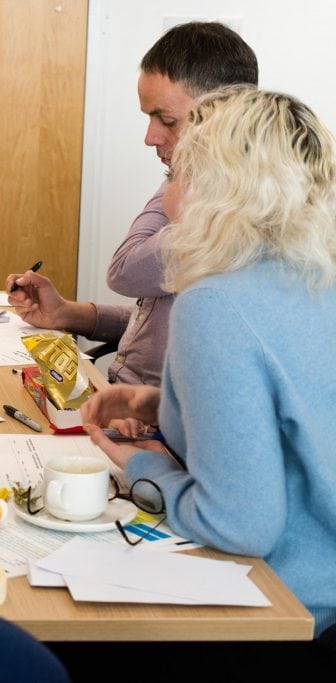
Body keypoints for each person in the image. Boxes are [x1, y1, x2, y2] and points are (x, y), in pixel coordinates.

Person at [81, 88, 336, 639]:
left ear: (210, 189)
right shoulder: (317, 275)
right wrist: (164, 406)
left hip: (284, 609)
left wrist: (142, 467)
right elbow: (301, 428)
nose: (165, 195)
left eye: (172, 175)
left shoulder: (216, 302)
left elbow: (240, 526)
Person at [6, 22, 258, 387]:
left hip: (155, 415)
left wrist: (176, 178)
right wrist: (67, 314)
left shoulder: (238, 214)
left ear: (226, 117)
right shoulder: (197, 187)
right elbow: (158, 320)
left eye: (167, 120)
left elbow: (125, 271)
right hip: (126, 398)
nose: (150, 137)